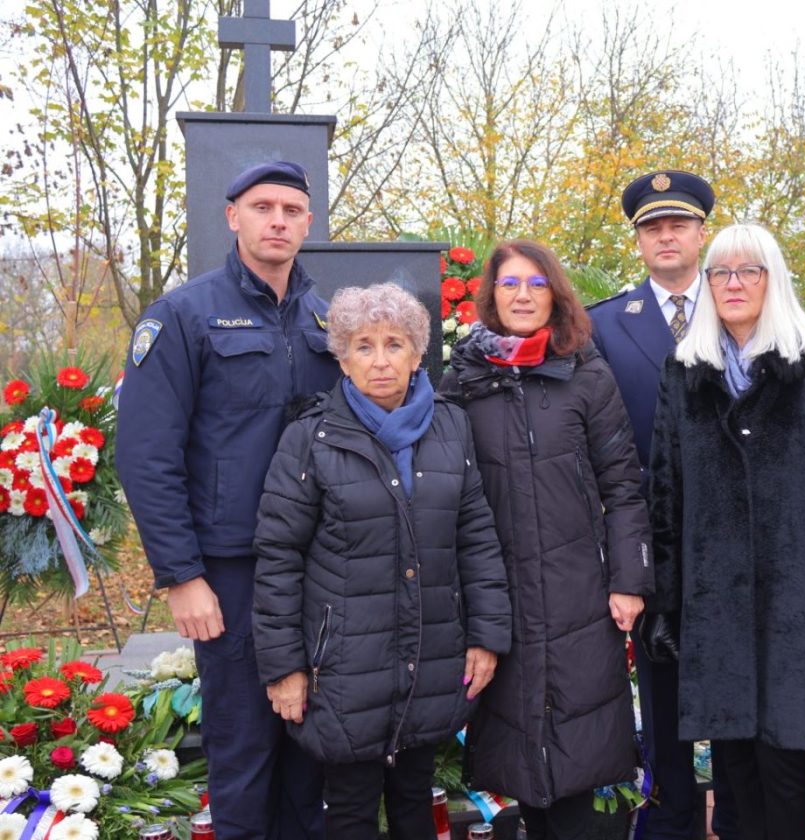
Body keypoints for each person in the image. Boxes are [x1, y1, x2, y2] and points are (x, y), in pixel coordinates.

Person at [116, 161, 339, 840]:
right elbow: (146, 456)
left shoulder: (328, 317)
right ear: (232, 216)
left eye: (293, 209)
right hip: (231, 569)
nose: (278, 220)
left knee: (311, 749)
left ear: (308, 221)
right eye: (263, 206)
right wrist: (182, 575)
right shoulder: (182, 315)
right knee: (243, 748)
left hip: (320, 563)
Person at [644, 223, 805, 840]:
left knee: (785, 768)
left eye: (749, 271)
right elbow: (664, 494)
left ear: (773, 280)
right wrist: (666, 602)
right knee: (731, 770)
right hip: (713, 603)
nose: (733, 283)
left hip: (795, 604)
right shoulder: (683, 371)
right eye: (720, 272)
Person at [251, 282, 512, 839]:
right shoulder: (310, 438)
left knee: (416, 802)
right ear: (342, 358)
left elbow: (477, 537)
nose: (380, 360)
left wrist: (487, 637)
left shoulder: (451, 427)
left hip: (432, 655)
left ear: (418, 354)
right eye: (363, 345)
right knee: (349, 810)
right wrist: (284, 668)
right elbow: (278, 558)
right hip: (344, 668)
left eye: (394, 344)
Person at [439, 239, 653, 840]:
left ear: (555, 293)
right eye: (510, 284)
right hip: (498, 595)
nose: (523, 295)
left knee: (585, 749)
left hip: (580, 594)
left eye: (536, 284)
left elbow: (624, 485)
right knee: (519, 749)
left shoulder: (586, 373)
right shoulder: (464, 381)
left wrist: (629, 581)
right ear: (491, 296)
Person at [586, 169, 739, 840]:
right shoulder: (604, 326)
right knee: (665, 693)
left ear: (702, 233)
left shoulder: (743, 307)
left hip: (739, 542)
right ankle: (671, 817)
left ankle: (737, 815)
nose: (667, 235)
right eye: (653, 227)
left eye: (679, 223)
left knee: (740, 691)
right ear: (639, 241)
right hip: (651, 540)